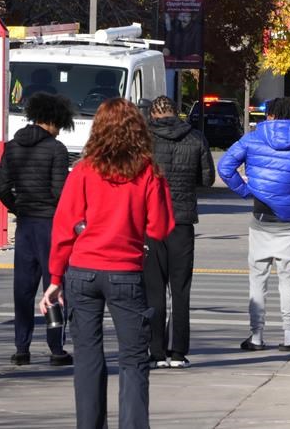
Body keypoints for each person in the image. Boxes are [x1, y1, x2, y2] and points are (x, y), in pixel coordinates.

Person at [41, 97, 174, 429]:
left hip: (83, 271)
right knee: (132, 359)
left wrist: (55, 278)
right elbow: (160, 226)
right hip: (125, 272)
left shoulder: (84, 170)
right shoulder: (147, 171)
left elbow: (63, 227)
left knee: (87, 357)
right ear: (138, 129)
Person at [217, 96, 290, 353]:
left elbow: (225, 166)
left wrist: (246, 191)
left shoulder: (251, 139)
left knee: (257, 280)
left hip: (260, 217)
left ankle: (256, 336)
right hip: (289, 221)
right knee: (288, 280)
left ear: (269, 115)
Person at [0, 92, 76, 367]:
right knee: (53, 287)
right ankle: (56, 347)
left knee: (23, 288)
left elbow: (2, 188)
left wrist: (19, 207)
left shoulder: (12, 146)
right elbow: (60, 192)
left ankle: (22, 347)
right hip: (50, 224)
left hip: (25, 223)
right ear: (54, 120)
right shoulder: (56, 149)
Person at [144, 95, 214, 369]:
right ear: (176, 112)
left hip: (151, 221)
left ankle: (156, 351)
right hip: (182, 220)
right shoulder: (195, 138)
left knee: (154, 289)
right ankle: (178, 352)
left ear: (152, 115)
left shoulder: (145, 141)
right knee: (181, 289)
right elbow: (207, 178)